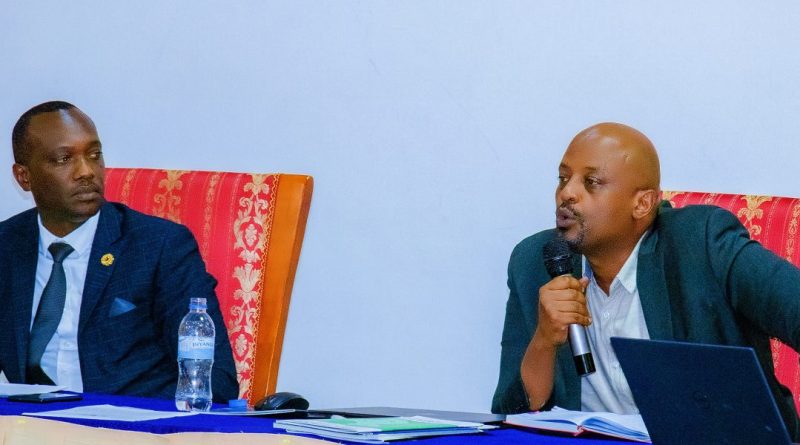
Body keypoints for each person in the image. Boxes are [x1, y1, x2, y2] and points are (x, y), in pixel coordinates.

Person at [491, 122, 800, 439]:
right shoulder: (534, 262)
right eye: (563, 178)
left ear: (642, 204)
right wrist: (544, 340)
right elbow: (510, 414)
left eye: (591, 182)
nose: (567, 193)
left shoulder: (702, 243)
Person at [0, 101, 239, 402]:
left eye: (94, 155)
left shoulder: (160, 246)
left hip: (128, 420)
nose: (86, 172)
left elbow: (216, 379)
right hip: (32, 421)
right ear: (24, 177)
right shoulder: (7, 246)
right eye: (64, 159)